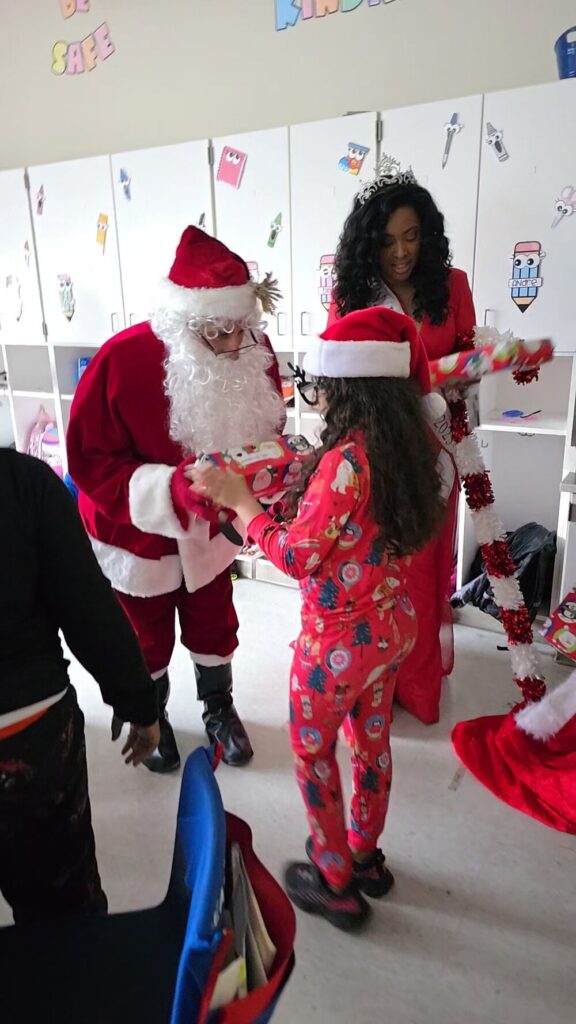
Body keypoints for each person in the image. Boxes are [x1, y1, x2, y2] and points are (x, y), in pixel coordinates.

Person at [191, 307, 447, 931]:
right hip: (392, 627)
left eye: (321, 382)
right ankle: (366, 855)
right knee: (372, 740)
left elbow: (298, 556)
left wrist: (242, 502)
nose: (318, 392)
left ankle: (333, 879)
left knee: (312, 751)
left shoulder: (347, 463)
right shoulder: (407, 447)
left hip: (338, 644)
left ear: (348, 385)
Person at [67, 228, 286, 772]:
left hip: (213, 531)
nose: (235, 345)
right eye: (218, 333)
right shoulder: (122, 360)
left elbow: (268, 428)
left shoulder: (252, 352)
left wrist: (272, 474)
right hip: (137, 531)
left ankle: (218, 707)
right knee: (145, 633)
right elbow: (89, 459)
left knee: (214, 619)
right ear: (183, 324)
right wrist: (167, 489)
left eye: (242, 329)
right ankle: (152, 715)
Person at [328, 155, 477, 725]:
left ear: (427, 237)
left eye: (412, 237)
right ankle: (371, 685)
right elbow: (342, 375)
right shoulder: (352, 295)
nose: (400, 252)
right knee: (373, 571)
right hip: (376, 450)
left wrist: (457, 372)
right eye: (388, 240)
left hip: (436, 447)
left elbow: (464, 361)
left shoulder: (452, 286)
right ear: (370, 245)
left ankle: (416, 688)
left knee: (421, 571)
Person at [0, 448, 160, 926]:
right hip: (27, 727)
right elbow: (86, 606)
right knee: (63, 912)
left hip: (27, 718)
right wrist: (139, 702)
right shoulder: (24, 482)